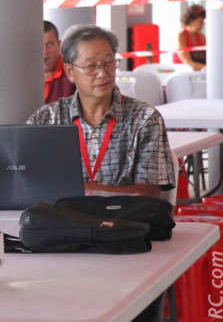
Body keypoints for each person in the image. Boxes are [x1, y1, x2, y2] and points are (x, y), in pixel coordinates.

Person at [28, 24, 175, 197]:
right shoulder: (46, 120)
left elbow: (148, 194)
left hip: (123, 220)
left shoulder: (144, 119)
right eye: (90, 66)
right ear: (70, 72)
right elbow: (29, 183)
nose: (102, 74)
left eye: (108, 63)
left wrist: (81, 191)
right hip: (61, 221)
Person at [44, 20, 76, 104]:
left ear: (59, 45)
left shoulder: (74, 71)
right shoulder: (22, 77)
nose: (44, 51)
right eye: (39, 45)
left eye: (50, 44)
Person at [173, 4, 206, 71]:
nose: (203, 24)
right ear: (191, 22)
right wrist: (209, 68)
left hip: (200, 73)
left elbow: (210, 58)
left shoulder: (202, 37)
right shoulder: (181, 36)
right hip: (183, 74)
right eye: (200, 22)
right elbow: (187, 63)